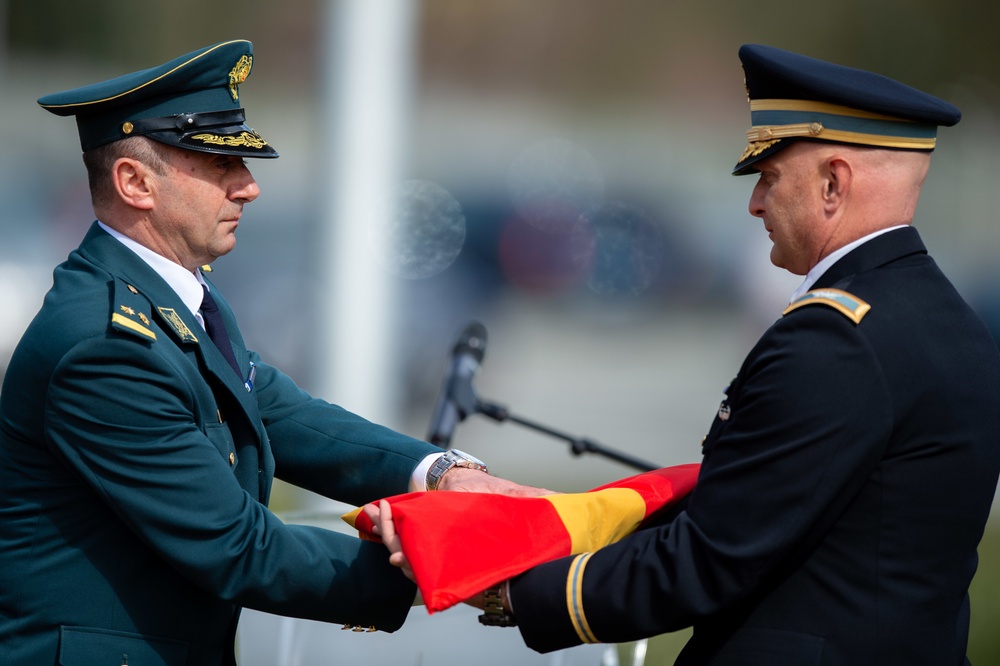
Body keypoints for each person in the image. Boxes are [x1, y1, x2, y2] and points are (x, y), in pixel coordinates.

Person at [372, 44, 1000, 664]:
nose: (755, 203)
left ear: (833, 184)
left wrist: (516, 589)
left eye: (770, 178)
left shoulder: (836, 339)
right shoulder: (954, 326)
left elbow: (716, 555)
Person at [0, 39, 543, 666]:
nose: (250, 187)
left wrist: (445, 474)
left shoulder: (174, 299)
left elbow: (281, 414)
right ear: (134, 182)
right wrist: (448, 561)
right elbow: (235, 545)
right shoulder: (104, 344)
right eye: (220, 165)